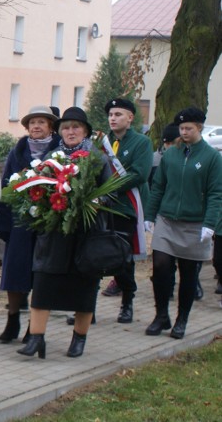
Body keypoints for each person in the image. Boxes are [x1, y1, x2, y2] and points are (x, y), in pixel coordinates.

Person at [17, 107, 109, 360]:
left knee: (84, 288)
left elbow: (111, 192)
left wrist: (90, 202)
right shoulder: (51, 157)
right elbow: (38, 187)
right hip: (55, 234)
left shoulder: (97, 158)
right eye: (66, 127)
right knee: (44, 282)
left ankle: (79, 339)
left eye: (75, 127)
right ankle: (36, 338)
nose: (70, 131)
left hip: (85, 235)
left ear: (85, 131)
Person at [144, 107, 222, 339]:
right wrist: (150, 215)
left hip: (194, 223)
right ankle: (161, 316)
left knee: (188, 275)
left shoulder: (212, 158)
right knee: (160, 267)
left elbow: (216, 193)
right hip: (167, 220)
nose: (184, 132)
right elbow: (158, 186)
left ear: (199, 128)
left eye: (189, 128)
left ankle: (182, 320)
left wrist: (210, 222)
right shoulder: (171, 154)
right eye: (181, 128)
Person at [0, 106, 59, 343]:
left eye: (41, 122)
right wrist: (3, 221)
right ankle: (12, 319)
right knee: (15, 273)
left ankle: (34, 326)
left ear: (51, 126)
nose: (36, 126)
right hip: (20, 223)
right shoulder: (17, 152)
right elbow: (5, 185)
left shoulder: (58, 152)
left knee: (40, 275)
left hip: (47, 224)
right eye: (32, 123)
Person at [97, 98, 153, 324]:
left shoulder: (141, 143)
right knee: (96, 255)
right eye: (111, 114)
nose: (113, 118)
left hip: (125, 207)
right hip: (102, 208)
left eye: (118, 114)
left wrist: (108, 188)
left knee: (122, 257)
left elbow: (139, 174)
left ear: (130, 118)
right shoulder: (103, 143)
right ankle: (86, 308)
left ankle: (127, 302)